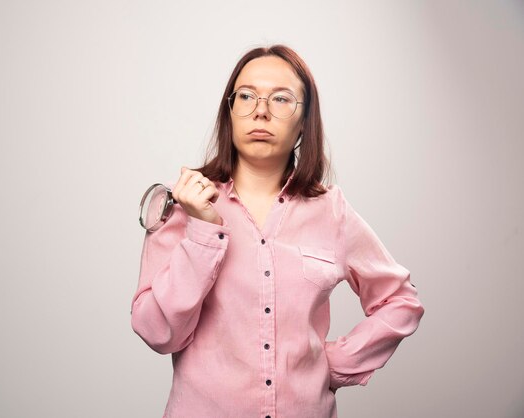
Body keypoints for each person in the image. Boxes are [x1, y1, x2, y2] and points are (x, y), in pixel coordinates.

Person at [131, 44, 425, 418]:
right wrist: (202, 230)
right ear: (229, 112)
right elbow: (159, 334)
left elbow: (401, 302)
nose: (261, 111)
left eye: (281, 99)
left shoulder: (330, 211)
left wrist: (333, 366)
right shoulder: (184, 202)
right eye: (247, 96)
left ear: (304, 123)